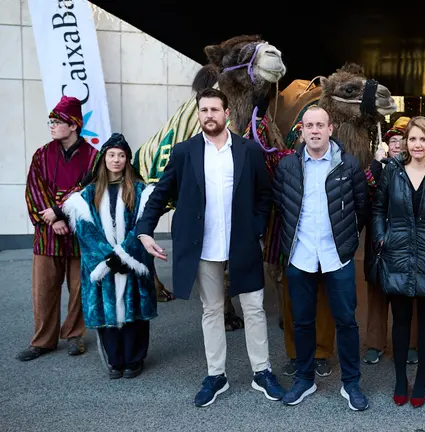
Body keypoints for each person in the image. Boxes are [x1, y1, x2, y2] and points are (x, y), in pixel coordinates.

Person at [136, 88, 284, 407]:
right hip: (202, 247)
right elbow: (160, 194)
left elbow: (265, 195)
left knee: (255, 309)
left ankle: (262, 372)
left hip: (242, 244)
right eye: (203, 110)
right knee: (212, 310)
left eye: (215, 109)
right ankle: (216, 375)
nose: (209, 115)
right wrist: (144, 230)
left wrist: (257, 228)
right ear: (199, 114)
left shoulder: (248, 151)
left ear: (226, 113)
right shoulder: (184, 152)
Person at [273, 106, 369, 411]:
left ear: (330, 129)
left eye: (320, 125)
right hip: (300, 257)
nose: (315, 131)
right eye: (309, 125)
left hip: (336, 256)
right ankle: (304, 378)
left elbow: (362, 209)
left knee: (347, 322)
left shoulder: (348, 165)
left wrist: (348, 243)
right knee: (301, 322)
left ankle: (351, 383)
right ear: (302, 130)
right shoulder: (288, 167)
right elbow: (280, 208)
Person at [372, 116, 425, 408]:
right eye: (412, 139)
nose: (418, 145)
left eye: (423, 139)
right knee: (400, 321)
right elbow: (378, 208)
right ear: (406, 142)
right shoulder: (393, 171)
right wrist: (382, 238)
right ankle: (400, 378)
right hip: (397, 253)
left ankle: (420, 379)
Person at [62, 133, 157, 378]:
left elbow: (142, 225)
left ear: (128, 160)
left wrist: (125, 255)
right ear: (104, 159)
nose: (116, 160)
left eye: (121, 155)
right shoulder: (88, 194)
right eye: (112, 155)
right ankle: (115, 360)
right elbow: (85, 231)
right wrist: (109, 258)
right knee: (108, 311)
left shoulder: (139, 191)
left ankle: (135, 359)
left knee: (133, 310)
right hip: (102, 264)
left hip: (131, 262)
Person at [17, 95, 98, 362]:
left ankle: (74, 335)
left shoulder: (93, 157)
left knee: (78, 288)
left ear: (74, 124)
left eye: (57, 121)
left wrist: (64, 212)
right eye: (50, 121)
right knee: (44, 289)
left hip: (79, 235)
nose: (52, 126)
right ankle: (42, 341)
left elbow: (90, 191)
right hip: (47, 235)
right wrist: (55, 219)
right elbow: (34, 191)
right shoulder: (41, 154)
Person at [363, 116, 419, 366]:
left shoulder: (416, 169)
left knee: (410, 294)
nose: (396, 145)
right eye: (392, 141)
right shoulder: (375, 168)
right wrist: (375, 163)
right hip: (379, 242)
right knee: (377, 294)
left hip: (407, 241)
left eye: (401, 140)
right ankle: (375, 343)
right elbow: (364, 193)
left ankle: (410, 344)